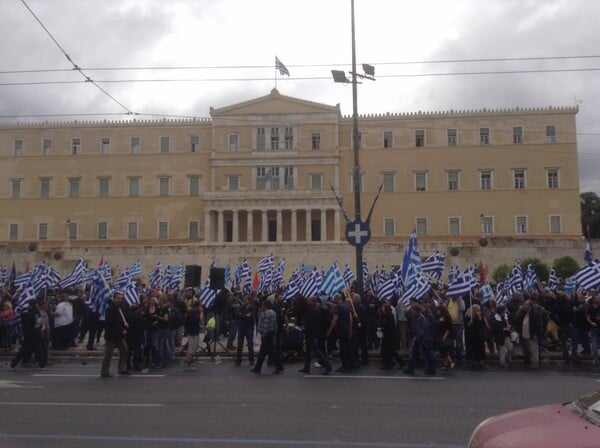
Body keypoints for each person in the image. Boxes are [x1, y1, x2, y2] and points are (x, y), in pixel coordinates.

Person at [11, 297, 49, 370]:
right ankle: (41, 365)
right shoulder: (35, 312)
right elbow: (37, 323)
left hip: (31, 334)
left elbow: (30, 324)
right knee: (36, 350)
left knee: (26, 351)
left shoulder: (31, 312)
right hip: (34, 334)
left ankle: (14, 364)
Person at [298, 296, 332, 374]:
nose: (308, 302)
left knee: (316, 351)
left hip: (312, 334)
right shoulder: (314, 310)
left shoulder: (314, 311)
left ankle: (328, 366)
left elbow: (310, 323)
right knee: (309, 352)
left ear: (313, 301)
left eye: (309, 301)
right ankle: (306, 367)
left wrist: (305, 329)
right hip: (312, 333)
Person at [100, 292, 129, 377]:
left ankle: (122, 368)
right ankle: (104, 371)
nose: (119, 300)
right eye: (118, 298)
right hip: (111, 335)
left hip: (119, 336)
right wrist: (122, 329)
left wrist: (125, 324)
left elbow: (121, 320)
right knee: (108, 353)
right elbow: (113, 322)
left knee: (124, 349)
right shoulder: (110, 309)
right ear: (114, 298)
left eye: (121, 298)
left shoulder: (120, 308)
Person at [403, 304, 436, 376]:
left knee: (427, 354)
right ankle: (410, 369)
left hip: (423, 339)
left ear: (415, 310)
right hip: (422, 338)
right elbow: (409, 318)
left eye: (412, 309)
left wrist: (416, 337)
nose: (411, 310)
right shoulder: (417, 316)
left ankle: (432, 369)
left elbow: (421, 329)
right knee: (415, 353)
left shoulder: (419, 317)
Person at [326, 293, 353, 373]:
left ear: (336, 299)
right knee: (347, 348)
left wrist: (329, 330)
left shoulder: (338, 308)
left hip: (341, 330)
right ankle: (348, 365)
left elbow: (334, 320)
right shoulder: (347, 307)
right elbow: (350, 319)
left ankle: (344, 366)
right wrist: (350, 330)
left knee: (343, 349)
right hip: (347, 330)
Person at [251, 300, 277, 374]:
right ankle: (258, 368)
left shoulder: (267, 313)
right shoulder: (272, 312)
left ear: (265, 306)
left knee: (267, 352)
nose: (261, 306)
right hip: (269, 334)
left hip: (266, 335)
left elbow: (266, 325)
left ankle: (278, 366)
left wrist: (263, 333)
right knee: (265, 352)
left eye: (262, 305)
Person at [235, 294, 256, 366]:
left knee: (250, 344)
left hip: (249, 327)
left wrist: (243, 315)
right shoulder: (241, 307)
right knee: (240, 344)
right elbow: (238, 315)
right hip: (241, 327)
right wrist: (245, 315)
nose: (244, 301)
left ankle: (251, 360)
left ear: (249, 301)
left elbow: (250, 317)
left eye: (246, 300)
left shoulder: (252, 308)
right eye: (244, 300)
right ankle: (238, 360)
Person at [183, 300, 203, 370]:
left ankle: (190, 362)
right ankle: (189, 363)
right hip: (193, 332)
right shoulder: (196, 311)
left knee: (192, 348)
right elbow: (196, 320)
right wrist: (201, 314)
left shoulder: (192, 311)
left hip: (192, 331)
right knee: (191, 349)